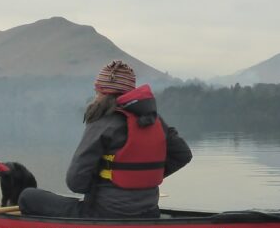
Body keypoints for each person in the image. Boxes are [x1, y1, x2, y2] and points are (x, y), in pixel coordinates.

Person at [18, 60, 191, 219]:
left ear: (102, 92)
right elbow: (183, 155)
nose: (96, 96)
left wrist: (102, 185)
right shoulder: (156, 121)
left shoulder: (104, 122)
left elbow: (75, 182)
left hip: (104, 213)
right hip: (149, 212)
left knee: (28, 196)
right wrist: (145, 177)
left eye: (97, 91)